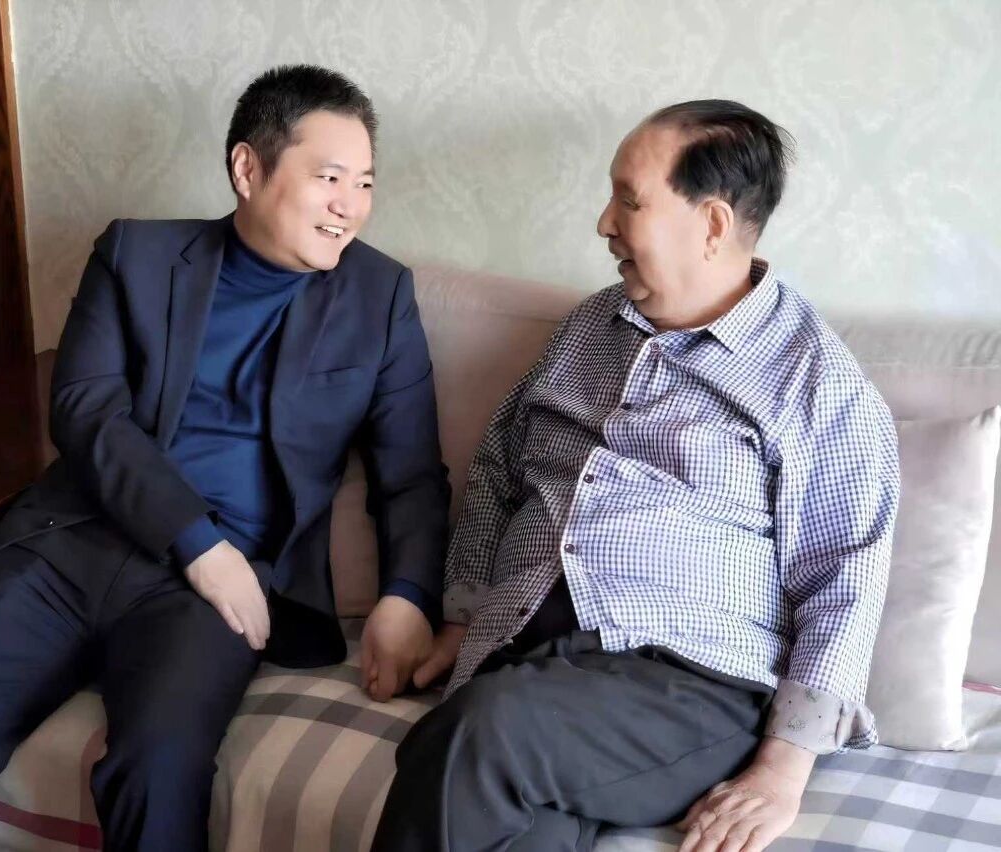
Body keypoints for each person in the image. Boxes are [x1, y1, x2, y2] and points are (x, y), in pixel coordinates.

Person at [0, 64, 449, 852]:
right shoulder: (136, 255)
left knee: (158, 767)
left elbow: (411, 474)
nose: (351, 205)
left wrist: (407, 597)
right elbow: (85, 411)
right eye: (330, 178)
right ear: (248, 169)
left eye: (364, 183)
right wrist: (197, 543)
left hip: (212, 596)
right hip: (69, 549)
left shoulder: (381, 296)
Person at [373, 100, 899, 852]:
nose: (604, 223)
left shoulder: (815, 380)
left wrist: (781, 772)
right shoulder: (590, 327)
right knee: (513, 819)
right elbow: (498, 469)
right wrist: (461, 617)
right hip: (527, 657)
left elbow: (846, 576)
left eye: (629, 200)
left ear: (711, 224)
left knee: (477, 734)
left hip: (690, 685)